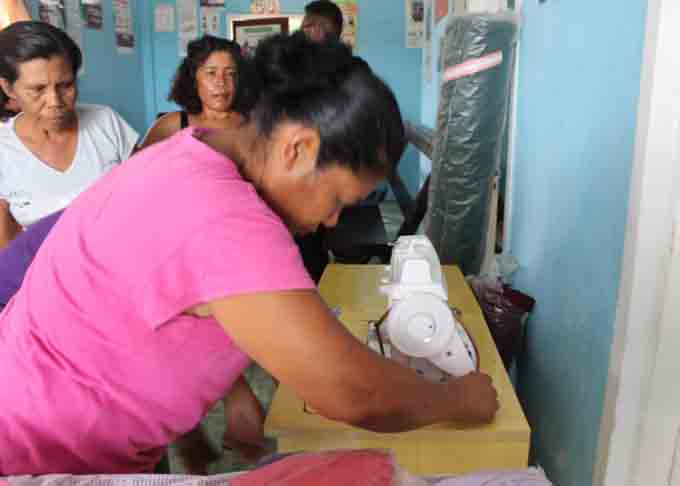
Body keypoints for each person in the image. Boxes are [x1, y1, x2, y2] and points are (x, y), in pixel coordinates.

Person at [0, 33, 499, 475]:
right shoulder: (225, 215)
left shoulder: (192, 152)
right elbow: (351, 390)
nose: (330, 221)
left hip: (66, 415)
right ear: (298, 148)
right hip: (35, 451)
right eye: (337, 201)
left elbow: (160, 303)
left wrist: (207, 407)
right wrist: (457, 399)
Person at [0, 21, 139, 249]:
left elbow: (149, 194)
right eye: (37, 89)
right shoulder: (3, 151)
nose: (55, 102)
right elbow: (7, 256)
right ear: (8, 88)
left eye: (65, 85)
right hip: (46, 277)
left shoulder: (106, 122)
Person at [138, 35, 257, 150]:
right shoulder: (169, 126)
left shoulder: (254, 124)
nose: (221, 82)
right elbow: (136, 167)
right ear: (193, 78)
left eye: (230, 73)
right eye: (211, 73)